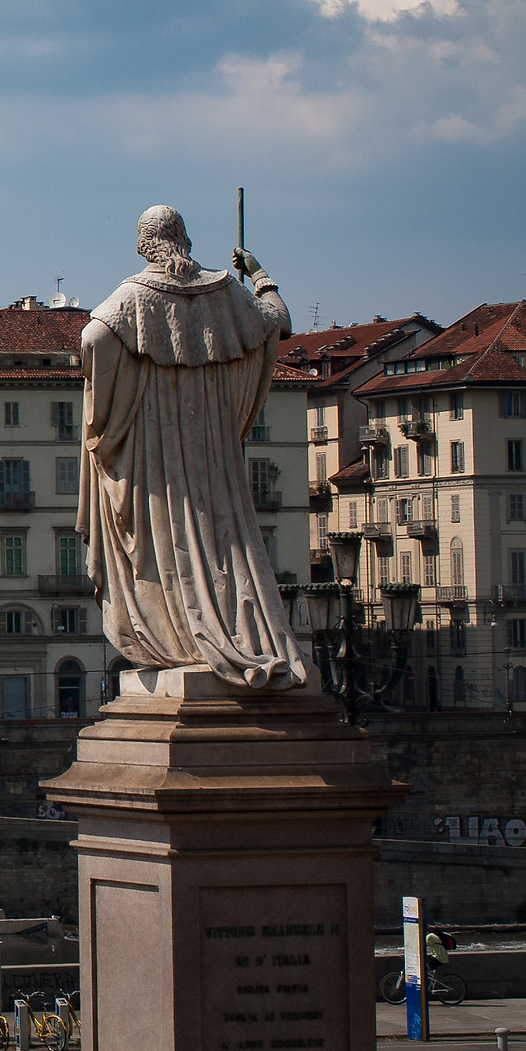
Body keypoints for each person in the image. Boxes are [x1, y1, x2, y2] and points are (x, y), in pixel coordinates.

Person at [80, 207, 310, 690]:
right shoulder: (225, 290)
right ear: (184, 238)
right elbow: (278, 323)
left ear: (145, 243)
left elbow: (94, 336)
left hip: (155, 451)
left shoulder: (135, 295)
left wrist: (105, 410)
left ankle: (181, 637)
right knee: (223, 540)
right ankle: (242, 632)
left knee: (168, 542)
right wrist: (259, 273)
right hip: (211, 449)